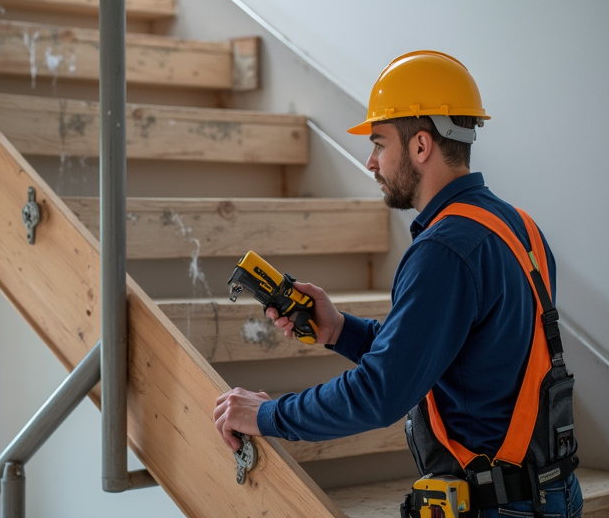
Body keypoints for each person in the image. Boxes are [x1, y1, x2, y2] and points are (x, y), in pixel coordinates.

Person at [213, 51, 582, 517]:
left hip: (499, 505)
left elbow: (380, 393)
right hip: (550, 491)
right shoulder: (517, 226)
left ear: (421, 145)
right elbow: (446, 355)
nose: (371, 162)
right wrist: (338, 329)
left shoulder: (444, 250)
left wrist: (266, 416)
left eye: (380, 143)